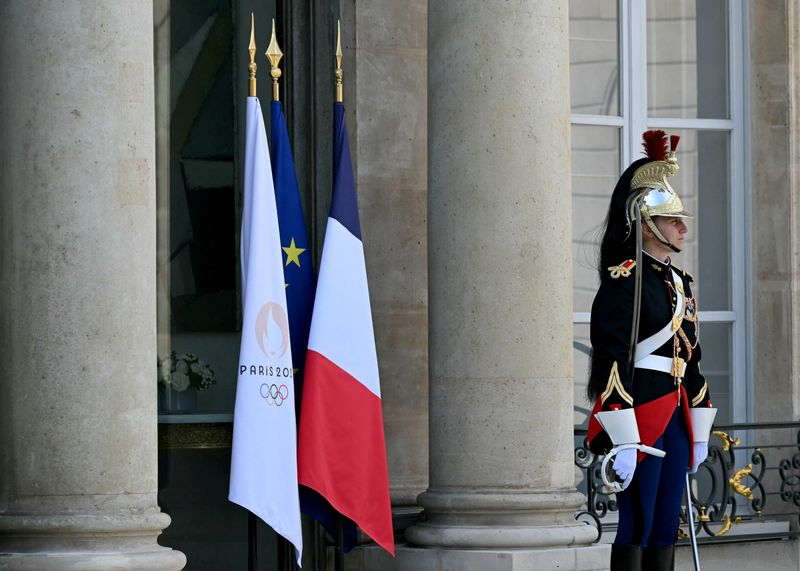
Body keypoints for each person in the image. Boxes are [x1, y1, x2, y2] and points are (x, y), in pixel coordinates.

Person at [586, 130, 717, 571]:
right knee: (637, 524)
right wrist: (623, 436)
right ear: (646, 224)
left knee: (666, 525)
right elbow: (611, 359)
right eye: (673, 220)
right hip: (641, 414)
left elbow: (691, 358)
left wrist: (700, 428)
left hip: (676, 413)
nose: (683, 228)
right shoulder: (625, 280)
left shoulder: (680, 283)